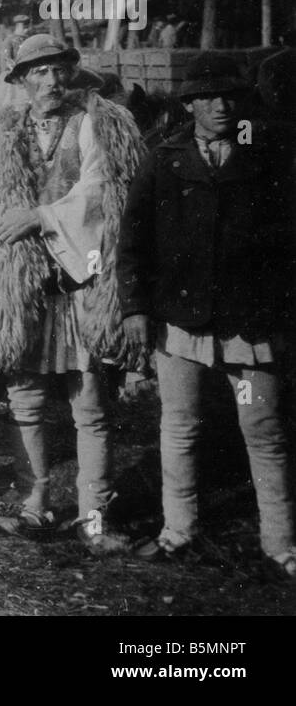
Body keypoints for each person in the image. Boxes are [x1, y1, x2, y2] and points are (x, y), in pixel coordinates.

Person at [0, 34, 145, 555]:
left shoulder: (95, 124)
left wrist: (40, 218)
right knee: (26, 400)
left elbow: (100, 192)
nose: (50, 81)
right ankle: (34, 504)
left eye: (58, 71)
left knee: (89, 406)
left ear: (71, 74)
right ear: (19, 80)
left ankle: (95, 518)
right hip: (22, 289)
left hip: (79, 285)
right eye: (36, 73)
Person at [118, 53, 296, 576]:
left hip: (250, 321)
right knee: (179, 425)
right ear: (189, 104)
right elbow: (133, 241)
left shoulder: (268, 156)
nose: (220, 106)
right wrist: (135, 307)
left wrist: (282, 310)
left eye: (229, 97)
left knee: (263, 428)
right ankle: (178, 530)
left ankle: (281, 543)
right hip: (182, 320)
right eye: (208, 97)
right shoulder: (163, 159)